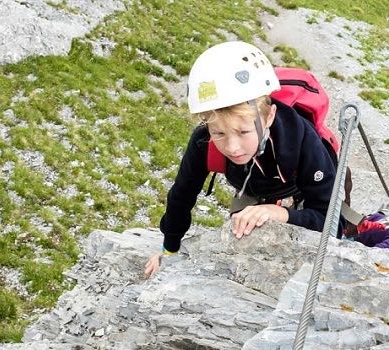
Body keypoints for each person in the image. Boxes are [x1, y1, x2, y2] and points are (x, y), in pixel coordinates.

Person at [144, 41, 338, 277]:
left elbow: (331, 221)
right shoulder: (203, 141)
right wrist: (169, 250)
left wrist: (283, 214)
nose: (233, 148)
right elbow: (181, 196)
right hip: (256, 181)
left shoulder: (302, 139)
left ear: (269, 118)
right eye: (219, 133)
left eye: (244, 132)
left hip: (299, 182)